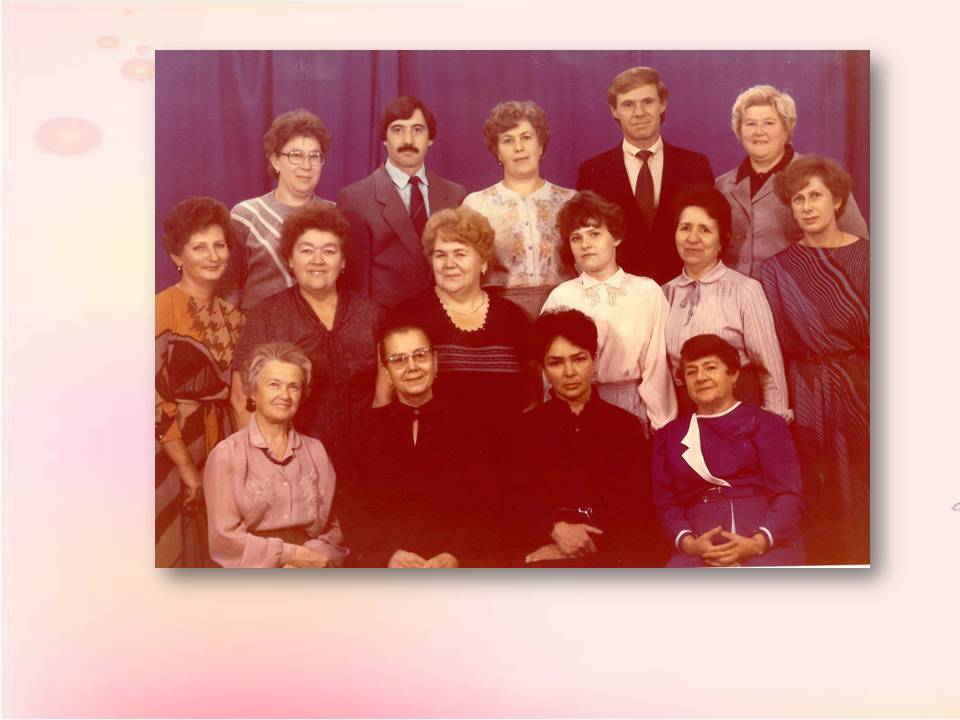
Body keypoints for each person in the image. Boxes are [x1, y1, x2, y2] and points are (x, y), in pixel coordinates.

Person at [761, 155, 869, 565]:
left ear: (837, 200)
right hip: (807, 390)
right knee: (816, 486)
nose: (807, 207)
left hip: (864, 386)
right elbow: (780, 344)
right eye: (798, 199)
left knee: (867, 482)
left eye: (816, 196)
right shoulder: (777, 269)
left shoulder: (870, 258)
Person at [230, 202, 384, 482]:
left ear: (343, 261)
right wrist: (263, 469)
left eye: (329, 251)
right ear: (290, 259)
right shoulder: (267, 316)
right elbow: (241, 400)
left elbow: (387, 396)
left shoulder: (372, 315)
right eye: (306, 250)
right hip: (291, 469)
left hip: (368, 465)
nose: (318, 260)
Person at [343, 318, 503, 568]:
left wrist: (456, 554)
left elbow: (490, 503)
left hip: (459, 565)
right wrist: (388, 555)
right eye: (398, 360)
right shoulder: (364, 431)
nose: (412, 367)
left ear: (435, 361)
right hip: (387, 567)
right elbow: (352, 508)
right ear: (386, 371)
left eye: (420, 355)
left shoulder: (474, 427)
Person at [510, 310, 665, 567]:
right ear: (543, 369)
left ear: (595, 360)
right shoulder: (525, 429)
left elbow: (636, 506)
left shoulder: (624, 426)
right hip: (543, 547)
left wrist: (585, 544)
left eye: (579, 359)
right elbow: (517, 500)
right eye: (556, 363)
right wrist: (553, 529)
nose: (569, 372)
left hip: (610, 550)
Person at [652, 334, 805, 568]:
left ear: (733, 374)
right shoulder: (669, 436)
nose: (700, 377)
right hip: (700, 545)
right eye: (691, 372)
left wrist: (759, 542)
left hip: (764, 538)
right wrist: (689, 544)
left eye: (710, 368)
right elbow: (666, 504)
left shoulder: (766, 424)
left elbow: (788, 495)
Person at [156, 196, 245, 568]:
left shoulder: (235, 318)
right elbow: (151, 399)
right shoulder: (161, 308)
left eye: (219, 245)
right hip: (170, 449)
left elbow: (240, 398)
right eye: (199, 247)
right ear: (177, 256)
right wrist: (185, 467)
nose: (213, 256)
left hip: (221, 445)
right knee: (173, 548)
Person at [541, 191, 676, 435]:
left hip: (631, 404)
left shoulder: (646, 291)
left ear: (615, 236)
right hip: (574, 407)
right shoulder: (561, 297)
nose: (585, 244)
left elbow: (657, 367)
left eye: (594, 234)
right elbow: (548, 370)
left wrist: (662, 426)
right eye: (576, 238)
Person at [204, 342, 347, 568]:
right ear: (253, 391)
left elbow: (335, 529)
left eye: (293, 387)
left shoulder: (316, 451)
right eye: (274, 385)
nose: (284, 395)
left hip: (313, 567)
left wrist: (311, 558)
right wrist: (291, 556)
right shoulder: (227, 455)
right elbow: (224, 541)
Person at [389, 205, 534, 426]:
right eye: (440, 255)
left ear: (483, 262)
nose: (449, 264)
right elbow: (385, 395)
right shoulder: (408, 315)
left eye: (460, 254)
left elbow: (533, 394)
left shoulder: (512, 316)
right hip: (435, 443)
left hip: (506, 442)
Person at [662, 184, 790, 420]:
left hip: (739, 408)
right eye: (685, 228)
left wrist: (774, 424)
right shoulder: (664, 294)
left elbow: (769, 369)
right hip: (685, 412)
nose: (692, 238)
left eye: (705, 230)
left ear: (722, 239)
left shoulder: (745, 290)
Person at [715, 84, 869, 279]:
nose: (759, 131)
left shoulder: (821, 177)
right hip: (732, 295)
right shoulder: (721, 185)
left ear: (786, 128)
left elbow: (858, 247)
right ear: (739, 130)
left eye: (769, 123)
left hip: (796, 294)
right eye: (750, 124)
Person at [577, 66, 714, 284]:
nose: (639, 113)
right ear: (614, 110)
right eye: (628, 104)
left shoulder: (695, 166)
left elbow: (709, 233)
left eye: (648, 102)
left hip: (685, 287)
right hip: (620, 291)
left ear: (663, 104)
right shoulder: (592, 172)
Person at [337, 96, 467, 309]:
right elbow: (355, 284)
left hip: (449, 317)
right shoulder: (355, 199)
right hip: (388, 321)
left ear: (430, 138)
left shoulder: (454, 195)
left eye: (417, 130)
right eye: (398, 130)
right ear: (384, 139)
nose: (408, 140)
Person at [462, 100, 576, 319]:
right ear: (497, 152)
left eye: (526, 137)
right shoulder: (476, 204)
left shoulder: (570, 200)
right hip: (500, 314)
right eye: (508, 140)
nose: (519, 148)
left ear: (540, 145)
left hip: (562, 310)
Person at [225, 109, 334, 310]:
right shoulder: (246, 215)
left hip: (319, 325)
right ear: (275, 161)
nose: (306, 165)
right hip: (259, 325)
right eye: (296, 155)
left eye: (314, 156)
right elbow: (227, 289)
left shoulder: (334, 214)